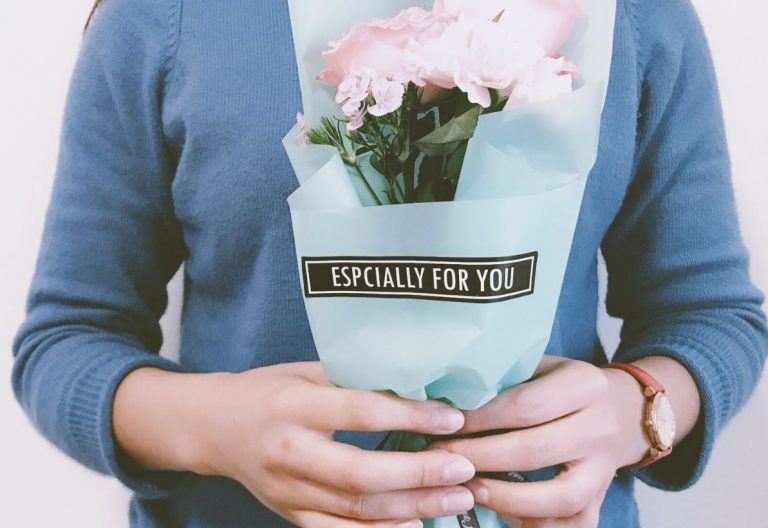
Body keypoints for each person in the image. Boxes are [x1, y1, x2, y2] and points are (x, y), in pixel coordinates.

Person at [11, 0, 767, 527]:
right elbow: (66, 338)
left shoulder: (633, 16)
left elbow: (708, 314)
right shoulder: (163, 18)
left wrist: (639, 411)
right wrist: (219, 431)